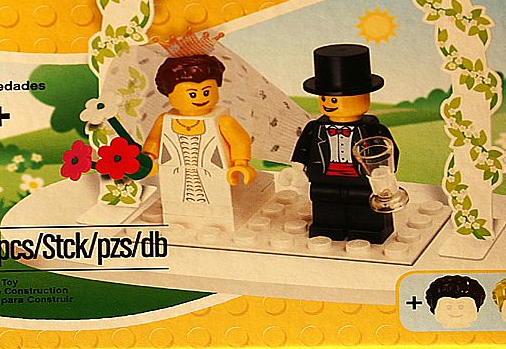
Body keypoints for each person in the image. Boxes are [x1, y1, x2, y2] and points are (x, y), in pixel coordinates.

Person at [282, 44, 398, 243]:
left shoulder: (371, 129)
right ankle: (328, 228)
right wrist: (297, 169)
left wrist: (382, 173)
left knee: (364, 205)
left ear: (364, 97)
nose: (328, 103)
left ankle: (367, 230)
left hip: (361, 181)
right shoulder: (315, 128)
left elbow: (388, 152)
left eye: (334, 99)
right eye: (324, 98)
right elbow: (303, 149)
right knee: (326, 204)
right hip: (324, 180)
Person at [142, 54, 256, 231]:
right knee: (175, 202)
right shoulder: (165, 121)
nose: (200, 98)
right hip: (174, 174)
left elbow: (239, 141)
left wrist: (240, 163)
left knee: (218, 202)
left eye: (206, 91)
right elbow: (153, 141)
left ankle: (218, 223)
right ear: (169, 94)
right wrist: (149, 157)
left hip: (215, 174)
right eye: (192, 93)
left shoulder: (222, 121)